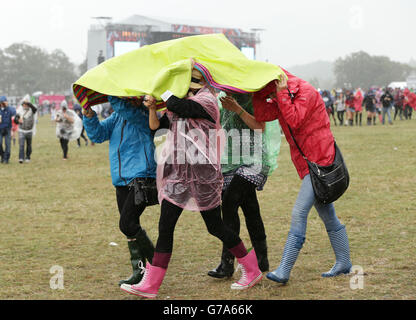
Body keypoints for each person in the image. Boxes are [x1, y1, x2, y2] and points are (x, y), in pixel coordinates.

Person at [120, 67, 263, 299]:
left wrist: (161, 90)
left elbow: (182, 107)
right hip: (179, 175)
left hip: (203, 174)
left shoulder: (206, 100)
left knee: (215, 226)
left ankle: (252, 268)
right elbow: (158, 127)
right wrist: (154, 109)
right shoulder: (181, 101)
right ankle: (151, 285)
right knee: (165, 226)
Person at [252, 69, 352, 284]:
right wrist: (258, 94)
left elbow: (295, 119)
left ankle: (284, 270)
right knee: (328, 214)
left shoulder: (305, 91)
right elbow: (262, 115)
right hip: (307, 162)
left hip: (320, 160)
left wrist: (280, 95)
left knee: (299, 212)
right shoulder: (281, 94)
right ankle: (344, 262)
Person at [82, 95, 157, 287]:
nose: (127, 100)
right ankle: (140, 271)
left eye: (129, 97)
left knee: (126, 223)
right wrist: (90, 116)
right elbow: (98, 135)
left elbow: (127, 110)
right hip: (121, 180)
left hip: (142, 177)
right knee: (130, 227)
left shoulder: (142, 115)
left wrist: (110, 93)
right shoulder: (117, 117)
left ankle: (156, 263)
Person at [207, 91, 280, 279]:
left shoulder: (253, 98)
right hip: (230, 160)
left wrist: (237, 109)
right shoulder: (221, 97)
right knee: (250, 208)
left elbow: (259, 127)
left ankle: (228, 262)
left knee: (230, 204)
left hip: (254, 161)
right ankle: (261, 259)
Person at [0, 96, 16, 164]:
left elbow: (14, 117)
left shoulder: (10, 109)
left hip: (8, 129)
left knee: (7, 145)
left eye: (3, 102)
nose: (2, 103)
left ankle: (6, 159)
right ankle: (3, 156)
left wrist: (13, 130)